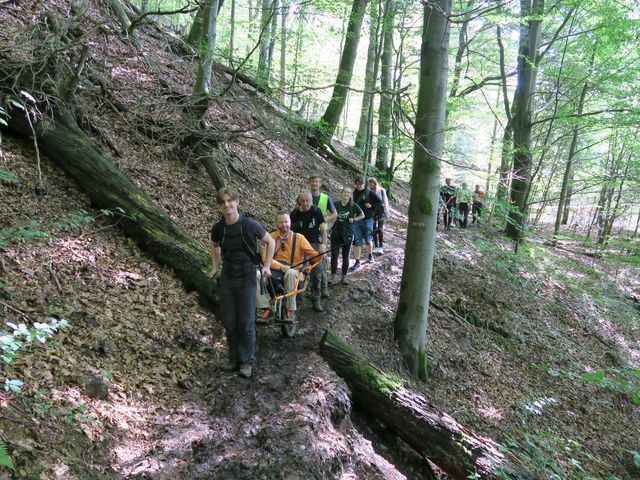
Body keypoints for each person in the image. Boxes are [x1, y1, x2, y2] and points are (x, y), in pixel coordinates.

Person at [210, 187, 275, 379]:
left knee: (246, 322)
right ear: (220, 206)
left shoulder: (249, 224)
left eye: (229, 201)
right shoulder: (218, 228)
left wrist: (267, 265)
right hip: (228, 276)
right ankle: (233, 358)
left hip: (247, 276)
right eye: (223, 202)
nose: (226, 205)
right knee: (229, 321)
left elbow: (270, 242)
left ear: (237, 201)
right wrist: (214, 266)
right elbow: (214, 246)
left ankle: (247, 361)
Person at [256, 212, 321, 318]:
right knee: (256, 274)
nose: (284, 224)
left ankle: (290, 309)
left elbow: (315, 257)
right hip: (274, 270)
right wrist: (281, 267)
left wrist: (320, 253)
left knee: (290, 273)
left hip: (295, 271)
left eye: (286, 221)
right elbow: (265, 258)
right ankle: (265, 307)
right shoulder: (271, 237)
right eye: (281, 222)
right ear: (276, 223)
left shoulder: (299, 238)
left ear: (290, 222)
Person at [290, 190, 328, 312]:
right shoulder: (295, 213)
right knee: (299, 272)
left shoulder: (317, 211)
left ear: (311, 201)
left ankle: (316, 299)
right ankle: (299, 301)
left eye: (307, 201)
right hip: (299, 246)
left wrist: (324, 245)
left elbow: (323, 230)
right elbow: (290, 231)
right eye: (302, 201)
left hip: (314, 245)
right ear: (299, 201)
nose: (305, 203)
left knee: (317, 272)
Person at [308, 175, 336, 299]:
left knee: (321, 261)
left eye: (317, 182)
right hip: (306, 233)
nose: (315, 184)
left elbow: (334, 214)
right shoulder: (304, 196)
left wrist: (323, 220)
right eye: (312, 181)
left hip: (321, 233)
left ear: (320, 184)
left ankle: (324, 289)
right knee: (307, 261)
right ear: (309, 183)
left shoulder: (326, 198)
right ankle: (310, 288)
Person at [330, 187, 364, 285]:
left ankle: (344, 278)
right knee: (334, 255)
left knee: (346, 256)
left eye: (348, 193)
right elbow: (330, 214)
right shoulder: (335, 204)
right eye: (345, 192)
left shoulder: (353, 206)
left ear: (350, 195)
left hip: (348, 232)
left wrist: (354, 219)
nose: (346, 194)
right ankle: (333, 277)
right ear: (341, 193)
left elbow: (362, 215)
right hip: (336, 232)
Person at [350, 175, 382, 270]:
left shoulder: (369, 192)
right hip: (357, 219)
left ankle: (370, 255)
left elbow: (379, 202)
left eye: (361, 184)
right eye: (357, 184)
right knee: (357, 241)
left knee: (368, 239)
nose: (359, 186)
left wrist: (371, 206)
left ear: (364, 184)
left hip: (368, 219)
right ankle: (357, 261)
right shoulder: (354, 193)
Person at [368, 177, 390, 255]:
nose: (371, 185)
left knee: (380, 228)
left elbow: (385, 202)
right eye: (369, 183)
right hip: (372, 211)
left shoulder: (381, 190)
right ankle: (376, 247)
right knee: (373, 229)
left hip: (381, 210)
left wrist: (387, 213)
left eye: (372, 183)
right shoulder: (368, 191)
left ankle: (380, 247)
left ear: (375, 183)